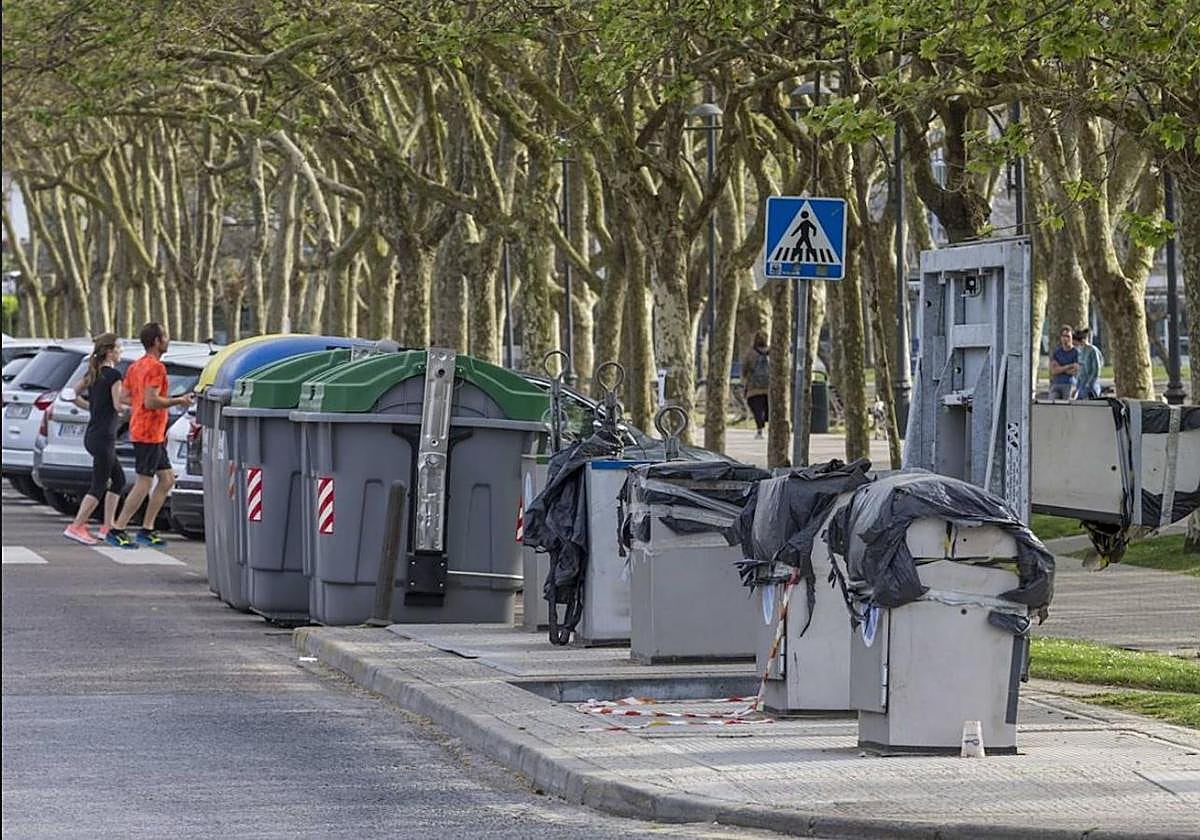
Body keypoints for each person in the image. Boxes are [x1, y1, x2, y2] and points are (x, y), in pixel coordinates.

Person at [106, 323, 194, 548]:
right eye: (165, 335)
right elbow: (151, 401)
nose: (168, 339)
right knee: (144, 482)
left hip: (147, 431)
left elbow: (126, 397)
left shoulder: (136, 366)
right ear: (156, 341)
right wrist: (179, 400)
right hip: (148, 432)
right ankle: (118, 528)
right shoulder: (156, 368)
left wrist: (142, 403)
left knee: (167, 480)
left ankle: (147, 528)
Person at [63, 334, 128, 545]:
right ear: (109, 351)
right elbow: (118, 406)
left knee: (118, 480)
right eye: (119, 348)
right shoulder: (114, 375)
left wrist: (90, 407)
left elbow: (72, 394)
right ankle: (76, 526)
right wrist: (135, 410)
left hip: (93, 435)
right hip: (104, 438)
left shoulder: (94, 373)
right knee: (99, 484)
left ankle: (107, 526)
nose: (121, 352)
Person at [741, 331, 771, 439]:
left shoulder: (750, 353)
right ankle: (768, 422)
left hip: (754, 388)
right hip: (769, 387)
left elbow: (744, 369)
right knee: (768, 406)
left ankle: (760, 430)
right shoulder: (772, 352)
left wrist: (745, 378)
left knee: (757, 408)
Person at [1048, 324, 1080, 400]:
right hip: (1056, 384)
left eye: (1068, 336)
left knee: (1067, 408)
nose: (1065, 339)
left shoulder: (1077, 353)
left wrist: (1060, 368)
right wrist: (1069, 366)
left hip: (1070, 384)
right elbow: (1053, 371)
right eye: (1063, 336)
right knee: (1051, 404)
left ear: (1072, 338)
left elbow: (1074, 372)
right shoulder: (1057, 352)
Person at [1073, 327, 1103, 399]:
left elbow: (1096, 369)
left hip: (1091, 385)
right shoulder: (1081, 351)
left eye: (1075, 343)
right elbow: (1080, 371)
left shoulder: (1092, 350)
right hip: (1082, 385)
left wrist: (1089, 383)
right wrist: (1077, 387)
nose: (1075, 345)